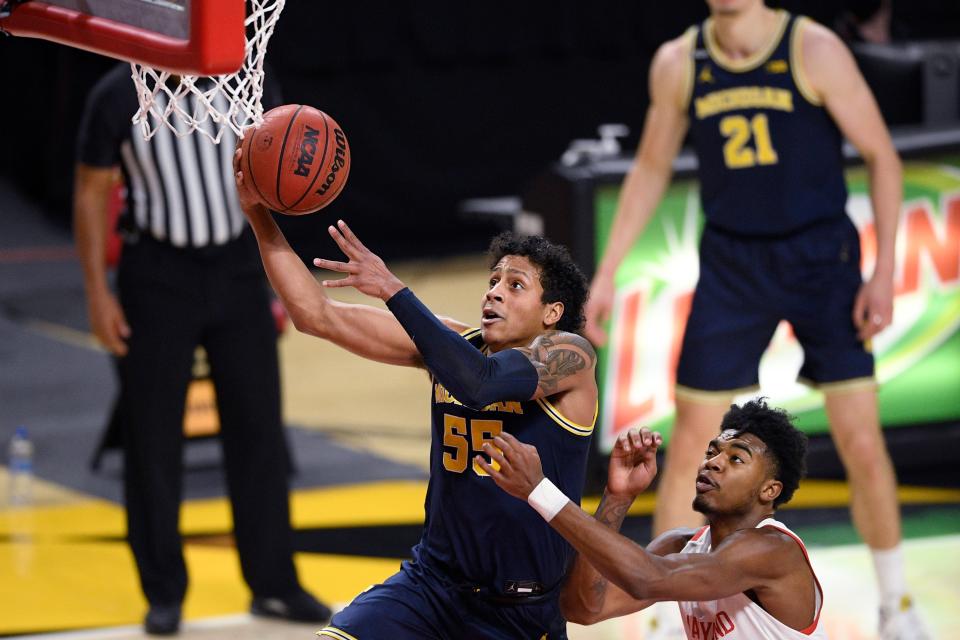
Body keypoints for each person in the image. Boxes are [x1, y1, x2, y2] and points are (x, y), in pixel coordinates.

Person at [582, 1, 927, 637]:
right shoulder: (680, 60)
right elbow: (653, 167)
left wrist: (883, 273)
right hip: (734, 260)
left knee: (861, 437)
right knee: (690, 434)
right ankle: (663, 609)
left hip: (821, 255)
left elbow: (882, 155)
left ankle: (896, 602)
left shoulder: (813, 48)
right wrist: (605, 276)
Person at [234, 145, 597, 638]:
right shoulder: (451, 346)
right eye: (493, 279)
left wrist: (392, 289)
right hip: (431, 588)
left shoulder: (571, 358)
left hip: (517, 611)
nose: (493, 290)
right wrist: (258, 213)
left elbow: (480, 385)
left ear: (551, 313)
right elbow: (315, 314)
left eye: (515, 285)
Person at [73, 63, 330, 635]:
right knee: (151, 439)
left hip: (238, 268)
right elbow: (91, 191)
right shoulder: (116, 94)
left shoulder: (249, 82)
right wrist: (96, 293)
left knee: (259, 429)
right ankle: (163, 590)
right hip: (157, 273)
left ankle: (274, 584)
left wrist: (277, 282)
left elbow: (269, 182)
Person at [479, 399, 828, 638]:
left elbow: (648, 579)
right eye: (712, 451)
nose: (713, 462)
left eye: (736, 459)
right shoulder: (682, 545)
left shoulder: (773, 549)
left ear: (770, 490)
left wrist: (540, 491)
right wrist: (617, 498)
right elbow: (584, 607)